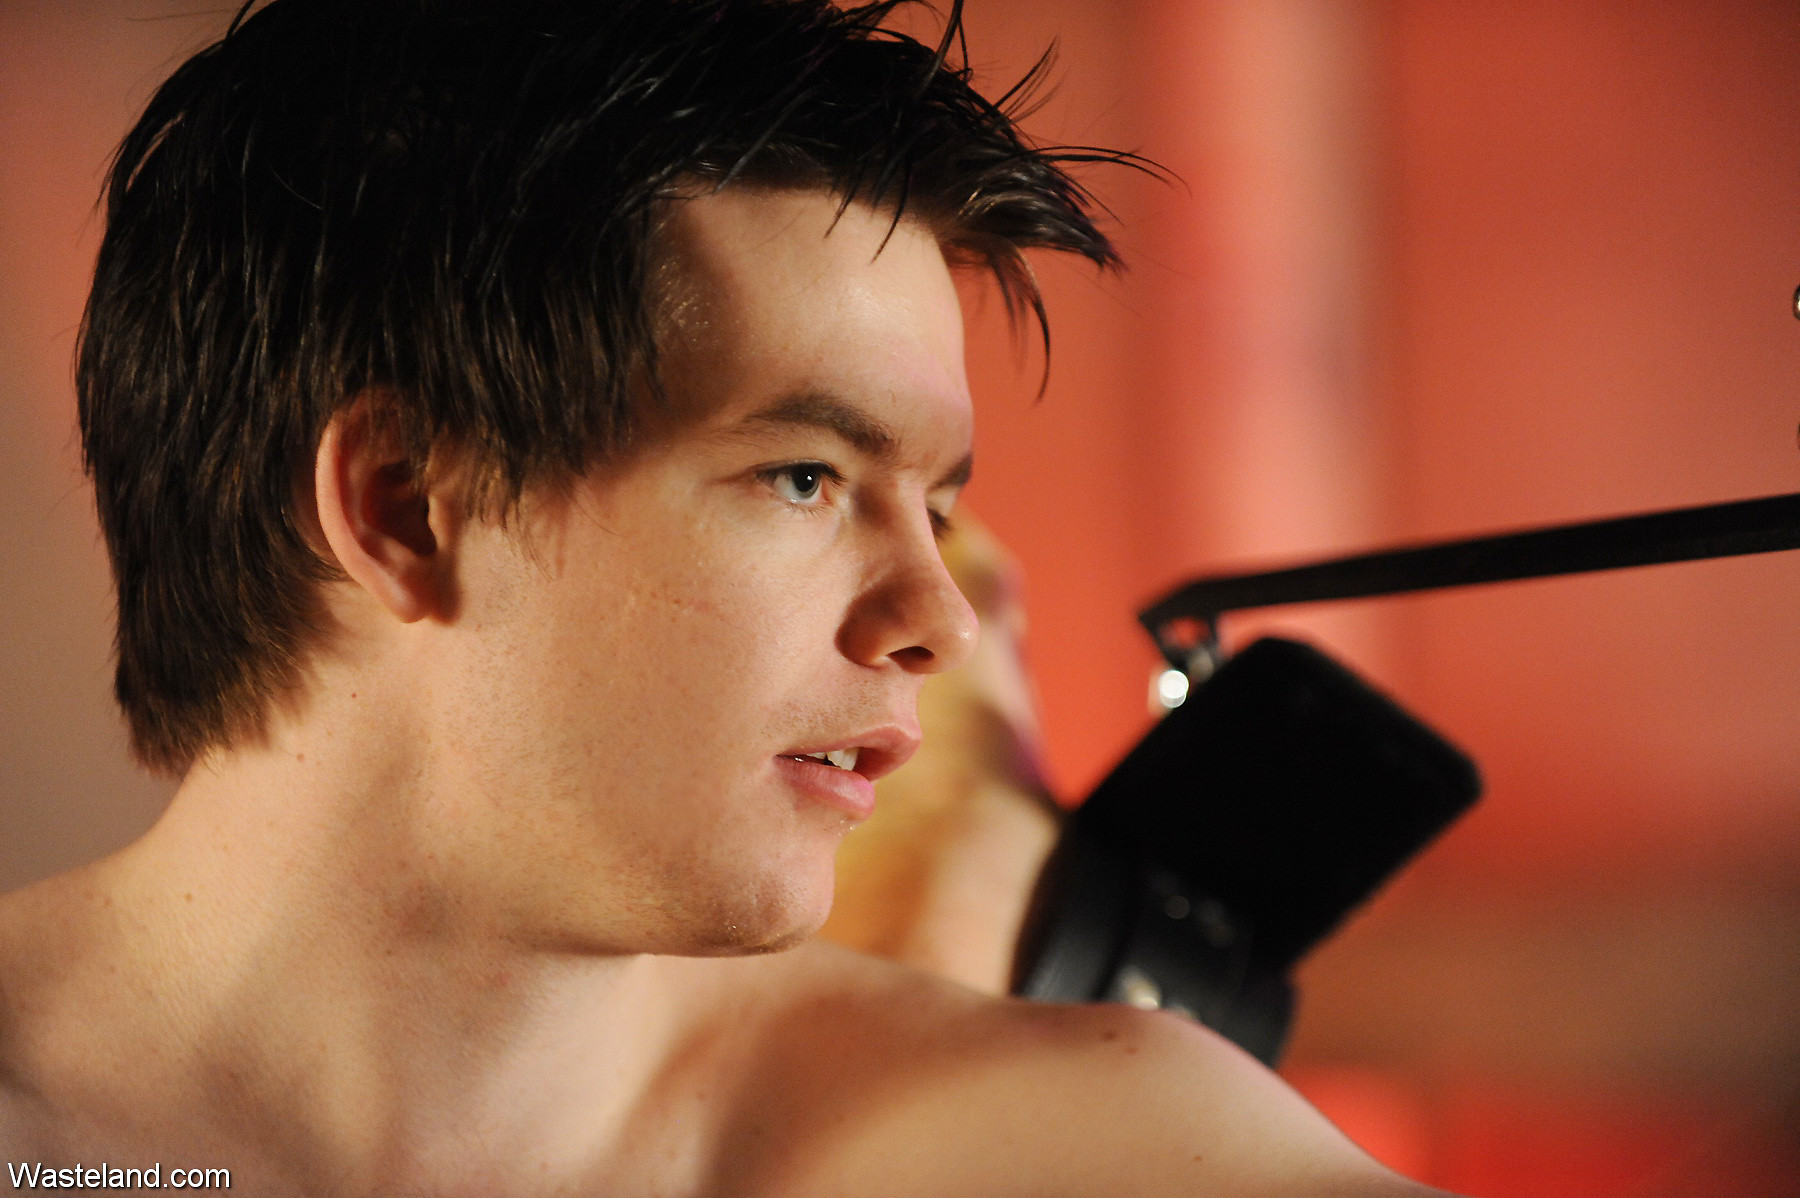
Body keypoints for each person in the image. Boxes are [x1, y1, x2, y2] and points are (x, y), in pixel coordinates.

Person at [0, 1, 1453, 1192]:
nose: (940, 622)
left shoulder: (1083, 1150)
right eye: (806, 477)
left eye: (940, 509)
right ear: (406, 505)